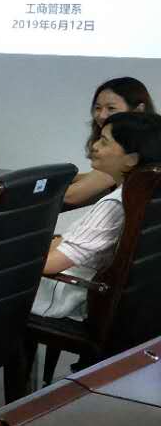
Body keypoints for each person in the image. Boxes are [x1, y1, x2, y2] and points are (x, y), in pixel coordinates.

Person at [34, 112, 161, 320]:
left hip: (67, 296)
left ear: (131, 159)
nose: (94, 146)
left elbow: (50, 265)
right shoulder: (143, 196)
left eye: (104, 141)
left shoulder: (114, 204)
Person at [66, 77, 154, 207]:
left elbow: (72, 195)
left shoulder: (128, 148)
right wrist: (60, 178)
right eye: (98, 108)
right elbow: (98, 178)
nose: (102, 115)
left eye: (111, 108)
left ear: (138, 110)